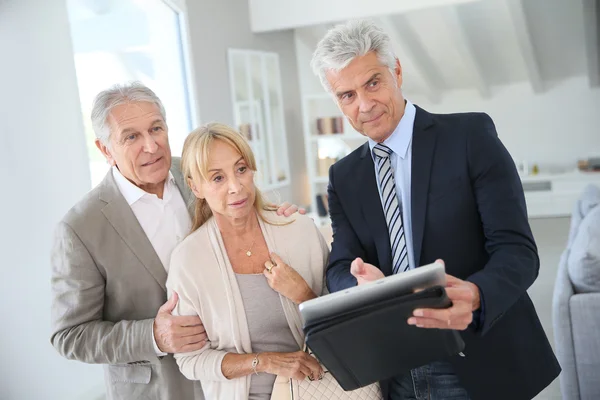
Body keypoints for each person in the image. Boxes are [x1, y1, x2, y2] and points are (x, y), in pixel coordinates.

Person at [311, 20, 561, 400]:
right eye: (347, 95)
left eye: (372, 83)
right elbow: (340, 267)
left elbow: (518, 251)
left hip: (479, 359)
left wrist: (476, 294)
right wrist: (362, 284)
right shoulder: (344, 177)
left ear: (396, 71)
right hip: (395, 368)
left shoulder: (470, 137)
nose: (364, 105)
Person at [50, 82, 303, 400]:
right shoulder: (80, 228)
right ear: (105, 149)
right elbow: (70, 335)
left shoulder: (201, 172)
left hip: (238, 381)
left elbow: (244, 213)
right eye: (131, 136)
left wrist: (277, 217)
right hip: (163, 390)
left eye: (156, 128)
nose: (152, 146)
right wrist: (153, 336)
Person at [166, 123, 331, 400]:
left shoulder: (299, 230)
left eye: (241, 169)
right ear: (195, 187)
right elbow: (190, 360)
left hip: (321, 392)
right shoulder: (188, 261)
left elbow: (344, 323)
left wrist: (303, 294)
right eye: (217, 178)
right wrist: (265, 361)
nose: (236, 187)